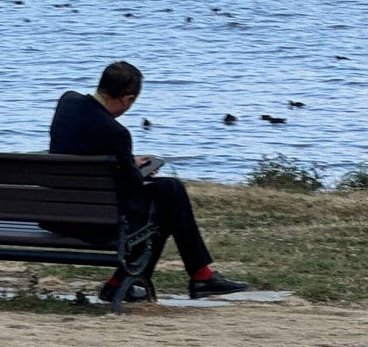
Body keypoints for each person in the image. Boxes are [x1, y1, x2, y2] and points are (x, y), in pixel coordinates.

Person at [48, 61, 248, 303]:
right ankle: (197, 276)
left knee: (169, 195)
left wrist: (124, 162)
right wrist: (135, 169)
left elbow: (80, 147)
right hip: (96, 222)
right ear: (128, 99)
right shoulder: (117, 132)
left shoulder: (67, 102)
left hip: (58, 214)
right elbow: (134, 187)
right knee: (169, 197)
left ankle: (128, 283)